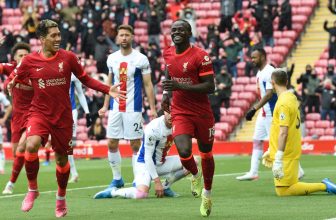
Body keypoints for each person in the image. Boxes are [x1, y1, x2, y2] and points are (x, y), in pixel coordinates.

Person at [8, 19, 126, 218]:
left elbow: (85, 79)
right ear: (42, 39)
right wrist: (10, 85)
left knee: (62, 160)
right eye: (53, 36)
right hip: (39, 113)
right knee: (31, 145)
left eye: (58, 34)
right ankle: (32, 190)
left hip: (63, 117)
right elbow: (14, 79)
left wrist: (108, 89)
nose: (58, 39)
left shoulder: (68, 57)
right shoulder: (29, 61)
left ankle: (61, 197)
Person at [162, 19, 215, 217]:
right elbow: (168, 71)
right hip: (180, 111)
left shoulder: (201, 56)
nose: (176, 32)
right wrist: (166, 95)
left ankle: (207, 195)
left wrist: (179, 87)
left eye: (181, 29)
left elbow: (210, 87)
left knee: (206, 155)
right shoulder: (167, 52)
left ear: (189, 32)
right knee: (183, 151)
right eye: (174, 29)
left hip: (202, 113)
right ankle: (194, 174)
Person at [98, 24, 157, 189]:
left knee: (135, 145)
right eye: (121, 35)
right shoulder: (112, 58)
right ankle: (117, 178)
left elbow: (148, 84)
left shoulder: (140, 59)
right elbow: (108, 84)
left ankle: (138, 178)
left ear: (132, 37)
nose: (123, 38)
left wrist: (152, 108)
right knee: (111, 143)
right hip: (115, 108)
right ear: (117, 38)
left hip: (133, 108)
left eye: (126, 35)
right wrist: (104, 106)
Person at [262, 68, 336, 196]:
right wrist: (272, 149)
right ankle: (322, 184)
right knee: (284, 189)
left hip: (286, 153)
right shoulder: (291, 98)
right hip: (289, 150)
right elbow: (285, 127)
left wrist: (278, 158)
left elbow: (283, 132)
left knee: (284, 191)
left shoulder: (283, 103)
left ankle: (324, 186)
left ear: (273, 83)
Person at [236, 48, 304, 181]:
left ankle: (299, 170)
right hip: (264, 113)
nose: (252, 60)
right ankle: (253, 172)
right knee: (257, 140)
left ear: (262, 57)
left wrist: (253, 109)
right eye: (252, 57)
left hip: (272, 113)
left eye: (255, 57)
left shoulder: (269, 71)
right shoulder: (260, 72)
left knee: (276, 143)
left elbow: (268, 94)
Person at [93, 111, 190, 199]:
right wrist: (157, 181)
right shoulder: (154, 128)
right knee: (141, 194)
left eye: (174, 112)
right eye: (169, 112)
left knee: (192, 163)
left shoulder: (179, 125)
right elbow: (147, 157)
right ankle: (113, 192)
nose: (171, 115)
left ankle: (165, 187)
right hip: (144, 164)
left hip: (161, 163)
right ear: (164, 111)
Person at [2, 42, 31, 194]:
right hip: (16, 117)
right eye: (21, 55)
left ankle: (11, 184)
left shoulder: (35, 70)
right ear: (14, 58)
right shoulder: (11, 68)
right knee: (17, 154)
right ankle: (31, 180)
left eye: (26, 55)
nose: (24, 58)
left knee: (22, 147)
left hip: (33, 115)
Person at [68, 73, 92, 183]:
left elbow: (80, 94)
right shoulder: (53, 71)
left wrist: (87, 113)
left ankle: (73, 172)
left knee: (68, 144)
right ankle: (68, 171)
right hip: (56, 113)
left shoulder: (73, 75)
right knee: (61, 146)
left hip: (71, 112)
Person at [0, 92, 12, 174]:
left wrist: (4, 119)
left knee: (0, 147)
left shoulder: (0, 95)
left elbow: (9, 106)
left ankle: (1, 168)